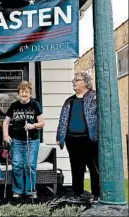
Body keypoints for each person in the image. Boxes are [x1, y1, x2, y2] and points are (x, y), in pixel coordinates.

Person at [56, 71, 99, 202]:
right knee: (76, 167)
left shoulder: (95, 97)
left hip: (89, 139)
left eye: (78, 79)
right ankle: (78, 194)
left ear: (86, 82)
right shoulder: (69, 101)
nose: (74, 82)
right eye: (73, 80)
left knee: (94, 168)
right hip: (72, 139)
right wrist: (60, 136)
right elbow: (62, 119)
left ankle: (97, 195)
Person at [2, 81, 45, 199]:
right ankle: (17, 190)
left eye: (26, 92)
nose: (24, 94)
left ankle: (30, 190)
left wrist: (33, 126)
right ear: (18, 93)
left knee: (30, 165)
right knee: (16, 165)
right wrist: (6, 135)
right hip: (16, 140)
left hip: (32, 140)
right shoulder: (14, 106)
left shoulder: (35, 105)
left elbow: (42, 123)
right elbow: (6, 122)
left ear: (30, 94)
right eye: (22, 92)